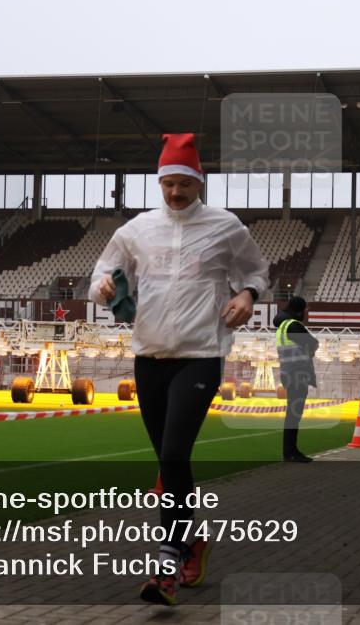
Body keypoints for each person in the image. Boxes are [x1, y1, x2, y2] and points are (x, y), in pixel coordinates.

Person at [90, 133, 269, 606]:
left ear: (198, 182)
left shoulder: (226, 226)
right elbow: (100, 272)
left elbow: (256, 271)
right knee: (170, 467)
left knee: (173, 455)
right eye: (168, 183)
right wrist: (103, 287)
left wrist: (247, 295)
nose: (175, 192)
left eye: (183, 184)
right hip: (149, 357)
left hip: (201, 354)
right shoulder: (135, 231)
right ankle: (192, 542)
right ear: (160, 184)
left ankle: (165, 567)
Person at [273, 296, 318, 463]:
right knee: (293, 415)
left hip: (289, 373)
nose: (306, 313)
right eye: (305, 310)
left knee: (293, 414)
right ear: (299, 310)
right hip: (297, 373)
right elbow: (312, 344)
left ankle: (290, 451)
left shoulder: (283, 326)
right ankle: (290, 452)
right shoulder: (294, 326)